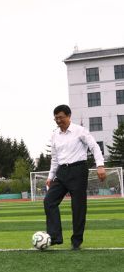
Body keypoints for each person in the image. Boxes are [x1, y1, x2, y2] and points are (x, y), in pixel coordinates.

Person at [44, 104, 106, 250]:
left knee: (78, 207)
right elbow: (54, 158)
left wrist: (100, 165)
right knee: (49, 201)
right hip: (62, 172)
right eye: (56, 118)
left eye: (61, 117)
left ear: (69, 116)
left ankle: (76, 241)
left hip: (78, 170)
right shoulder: (54, 135)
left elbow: (94, 147)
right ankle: (54, 237)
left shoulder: (80, 131)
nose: (58, 120)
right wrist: (50, 176)